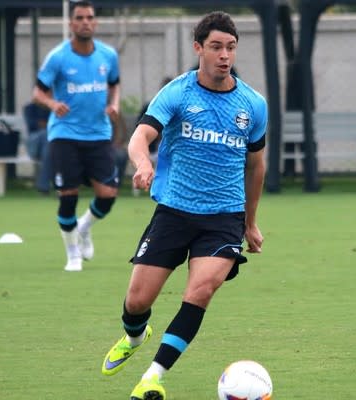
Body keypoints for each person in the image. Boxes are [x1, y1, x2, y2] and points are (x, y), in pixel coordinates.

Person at [100, 11, 267, 400]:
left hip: (224, 217)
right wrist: (143, 164)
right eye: (215, 47)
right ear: (198, 49)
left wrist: (251, 222)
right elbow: (140, 137)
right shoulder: (178, 92)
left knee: (201, 292)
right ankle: (135, 334)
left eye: (230, 47)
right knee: (137, 300)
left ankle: (152, 377)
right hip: (175, 211)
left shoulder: (253, 104)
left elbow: (256, 165)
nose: (224, 55)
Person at [31, 0, 121, 272]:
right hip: (65, 135)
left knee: (108, 194)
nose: (85, 22)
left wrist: (115, 104)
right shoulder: (58, 57)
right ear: (71, 24)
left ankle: (83, 228)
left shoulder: (108, 55)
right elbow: (38, 92)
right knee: (68, 196)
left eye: (89, 17)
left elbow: (114, 84)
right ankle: (72, 255)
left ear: (96, 23)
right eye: (79, 17)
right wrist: (51, 104)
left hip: (98, 133)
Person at [23, 102, 52, 194]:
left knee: (49, 148)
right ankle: (45, 185)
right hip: (35, 145)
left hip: (50, 145)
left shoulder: (54, 107)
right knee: (46, 135)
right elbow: (33, 125)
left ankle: (44, 186)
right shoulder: (30, 108)